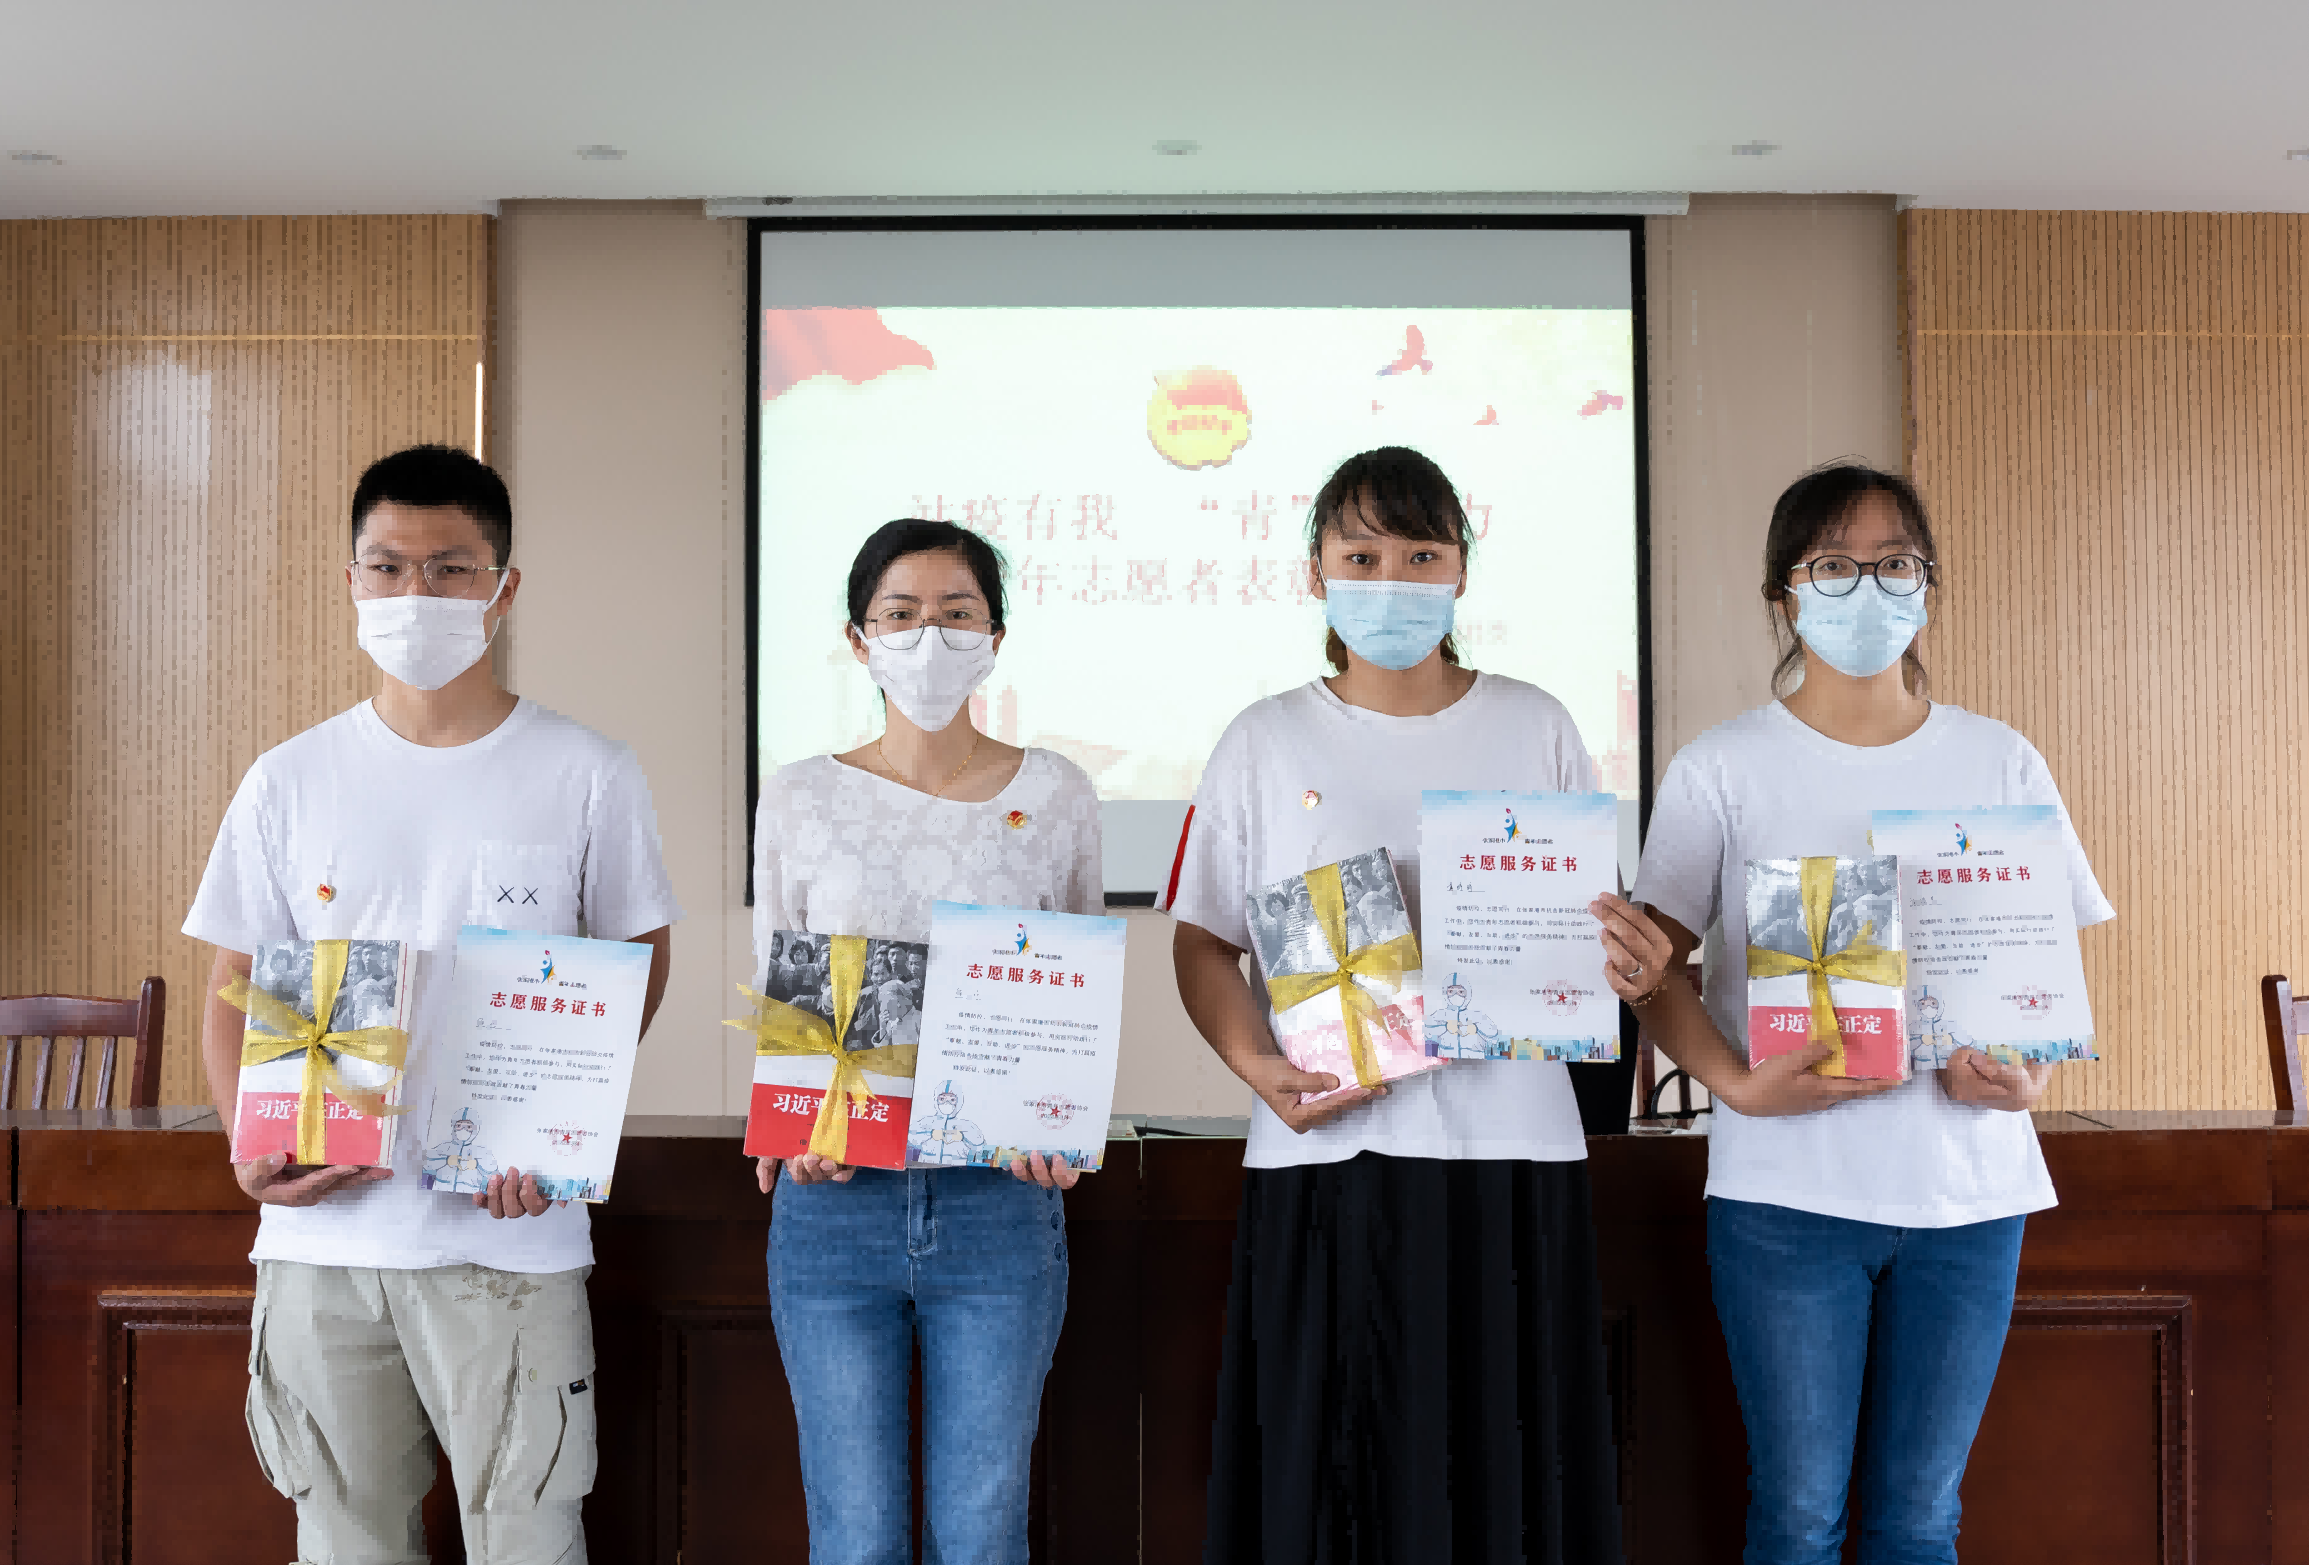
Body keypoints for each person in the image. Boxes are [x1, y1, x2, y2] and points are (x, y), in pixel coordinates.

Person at [1163, 445, 1669, 1565]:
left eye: (1420, 554)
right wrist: (1256, 1066)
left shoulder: (1536, 724)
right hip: (1330, 1148)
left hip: (1513, 1151)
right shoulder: (1263, 737)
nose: (1390, 579)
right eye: (1361, 556)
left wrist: (1631, 962)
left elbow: (1592, 929)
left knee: (1504, 1469)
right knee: (1331, 1477)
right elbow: (1201, 942)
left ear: (1460, 572)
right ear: (1314, 574)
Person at [184, 443, 678, 1564]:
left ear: (504, 587)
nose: (418, 593)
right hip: (321, 1239)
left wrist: (553, 1119)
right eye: (389, 566)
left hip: (510, 1239)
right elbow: (233, 987)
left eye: (451, 567)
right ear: (352, 582)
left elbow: (638, 957)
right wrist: (247, 1144)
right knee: (343, 1540)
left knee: (529, 1540)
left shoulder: (587, 769)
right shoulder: (288, 777)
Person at [1628, 461, 2114, 1565]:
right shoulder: (1721, 767)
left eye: (1894, 563)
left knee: (1920, 1518)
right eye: (1832, 565)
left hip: (1968, 1193)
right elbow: (1654, 974)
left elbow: (2037, 973)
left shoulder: (1999, 758)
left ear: (1927, 586)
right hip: (1783, 1196)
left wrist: (2030, 1075)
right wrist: (1737, 1083)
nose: (1866, 588)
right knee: (1797, 1516)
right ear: (1784, 592)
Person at [749, 516, 1103, 1565]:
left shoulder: (1056, 792)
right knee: (854, 1536)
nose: (929, 636)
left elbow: (1074, 983)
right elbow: (782, 981)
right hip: (835, 1205)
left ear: (995, 636)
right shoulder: (800, 793)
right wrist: (793, 1123)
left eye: (957, 613)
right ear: (858, 639)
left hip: (1001, 1204)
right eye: (900, 614)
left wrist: (1058, 1120)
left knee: (981, 1533)